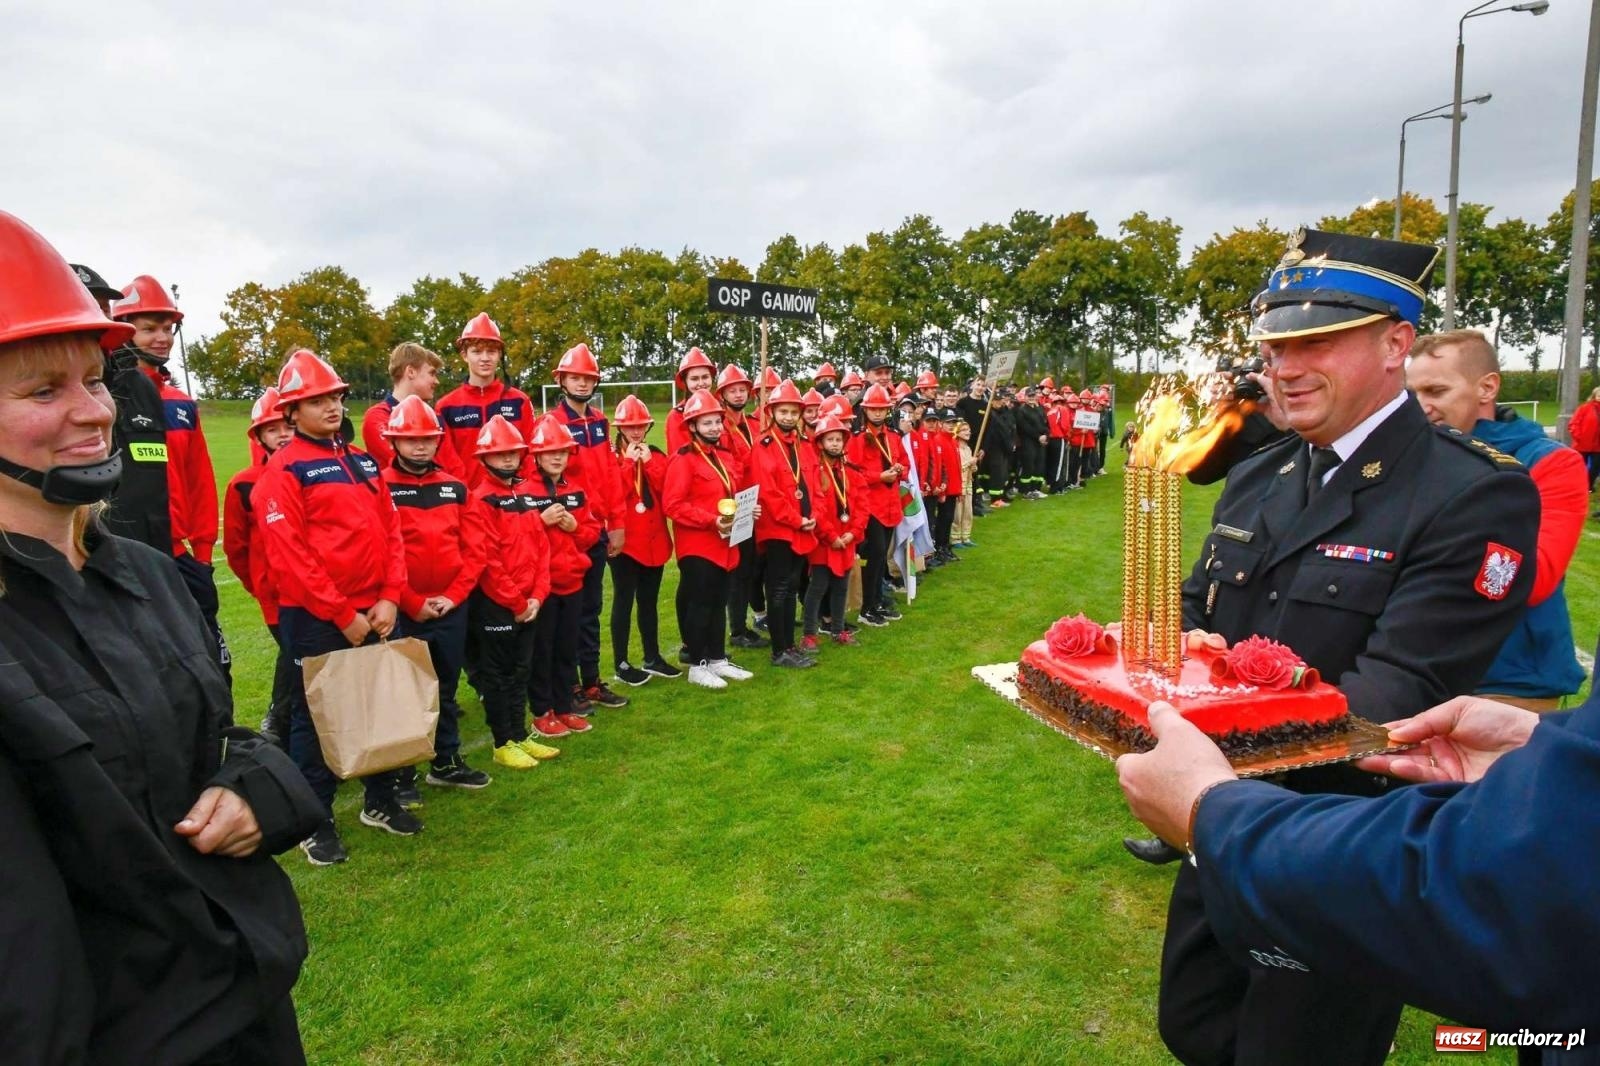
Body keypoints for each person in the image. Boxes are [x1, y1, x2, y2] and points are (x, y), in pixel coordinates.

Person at [1141, 228, 1540, 1066]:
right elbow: (1194, 610)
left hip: (1346, 848)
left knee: (1300, 1050)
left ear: (1398, 344)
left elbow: (1396, 699)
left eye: (1315, 341)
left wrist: (1204, 747)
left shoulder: (1474, 495)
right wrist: (1156, 655)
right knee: (1197, 1026)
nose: (1283, 366)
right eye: (1275, 344)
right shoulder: (1261, 472)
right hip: (1220, 820)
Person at [0, 212, 323, 1063]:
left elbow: (213, 739)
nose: (92, 411)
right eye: (42, 391)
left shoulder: (143, 573)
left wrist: (260, 792)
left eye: (94, 380)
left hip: (246, 1001)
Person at [1117, 662, 1600, 1046]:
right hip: (1295, 826)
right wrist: (1539, 758)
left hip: (1334, 838)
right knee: (1197, 1025)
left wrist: (1215, 815)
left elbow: (1504, 885)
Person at [256, 348, 417, 863]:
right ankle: (316, 820)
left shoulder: (361, 460)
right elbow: (291, 558)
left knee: (379, 706)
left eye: (335, 397)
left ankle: (381, 799)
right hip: (319, 618)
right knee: (315, 718)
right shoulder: (283, 471)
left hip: (377, 609)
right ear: (291, 412)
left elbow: (391, 531)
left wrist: (391, 595)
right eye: (316, 400)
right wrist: (340, 613)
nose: (331, 407)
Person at [1408, 330, 1587, 711]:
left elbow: (1533, 579)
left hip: (1510, 681)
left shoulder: (1551, 462)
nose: (1420, 406)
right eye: (1413, 394)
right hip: (1415, 669)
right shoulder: (1410, 457)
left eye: (1436, 391)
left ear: (1487, 388)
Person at [111, 274, 228, 680]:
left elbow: (200, 484)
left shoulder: (180, 405)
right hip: (132, 554)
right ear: (124, 332)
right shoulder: (106, 399)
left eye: (167, 329)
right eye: (149, 329)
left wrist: (201, 555)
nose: (162, 338)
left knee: (211, 670)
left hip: (183, 558)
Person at [379, 395, 492, 793]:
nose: (420, 446)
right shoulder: (380, 486)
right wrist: (410, 601)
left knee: (444, 685)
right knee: (405, 690)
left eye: (427, 438)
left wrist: (454, 596)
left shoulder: (455, 488)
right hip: (404, 608)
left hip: (450, 606)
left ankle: (445, 760)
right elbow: (381, 552)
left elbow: (475, 548)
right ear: (393, 442)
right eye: (411, 440)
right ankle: (404, 772)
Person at [466, 415, 561, 761]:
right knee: (497, 674)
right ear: (485, 457)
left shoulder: (522, 495)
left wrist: (537, 594)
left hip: (528, 601)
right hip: (498, 605)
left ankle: (520, 734)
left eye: (513, 453)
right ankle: (502, 742)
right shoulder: (480, 499)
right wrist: (517, 601)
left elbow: (540, 548)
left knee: (521, 670)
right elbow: (487, 561)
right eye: (500, 453)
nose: (507, 459)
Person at [548, 343, 629, 711]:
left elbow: (611, 476)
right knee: (567, 613)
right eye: (575, 377)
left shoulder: (599, 421)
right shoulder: (551, 425)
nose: (582, 383)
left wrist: (618, 523)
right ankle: (567, 687)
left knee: (591, 609)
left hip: (596, 531)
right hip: (567, 531)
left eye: (588, 378)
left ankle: (592, 681)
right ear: (562, 380)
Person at [664, 389, 754, 689]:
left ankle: (717, 659)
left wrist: (747, 510)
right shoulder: (683, 459)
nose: (714, 427)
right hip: (699, 545)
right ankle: (697, 664)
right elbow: (673, 505)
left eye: (717, 421)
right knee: (701, 605)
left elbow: (732, 492)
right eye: (706, 423)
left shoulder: (723, 455)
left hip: (726, 543)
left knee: (718, 602)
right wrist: (710, 521)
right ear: (692, 426)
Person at [224, 388, 295, 747]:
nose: (282, 434)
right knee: (298, 657)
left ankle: (286, 726)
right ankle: (279, 724)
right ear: (260, 436)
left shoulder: (313, 473)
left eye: (286, 425)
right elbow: (236, 548)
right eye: (272, 429)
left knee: (308, 662)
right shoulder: (243, 483)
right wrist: (261, 586)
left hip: (324, 591)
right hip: (277, 596)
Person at [523, 415, 603, 735]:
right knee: (542, 650)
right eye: (550, 451)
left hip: (572, 582)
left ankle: (565, 707)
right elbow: (516, 539)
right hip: (543, 586)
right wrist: (538, 521)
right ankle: (542, 711)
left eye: (562, 451)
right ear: (537, 455)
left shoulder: (577, 490)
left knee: (566, 649)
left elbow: (592, 534)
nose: (557, 457)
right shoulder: (524, 492)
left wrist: (576, 527)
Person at [608, 394, 678, 686]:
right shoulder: (611, 459)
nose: (635, 432)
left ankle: (652, 657)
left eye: (640, 426)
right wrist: (627, 465)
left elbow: (668, 492)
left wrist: (649, 464)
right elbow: (613, 495)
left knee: (648, 602)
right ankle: (621, 662)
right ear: (620, 428)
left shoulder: (657, 455)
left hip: (654, 540)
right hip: (625, 543)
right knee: (623, 601)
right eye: (629, 426)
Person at [752, 380, 820, 668]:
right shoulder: (763, 447)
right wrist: (796, 520)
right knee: (778, 589)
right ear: (772, 412)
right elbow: (768, 494)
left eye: (794, 412)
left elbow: (814, 484)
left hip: (803, 526)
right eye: (784, 412)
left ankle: (790, 646)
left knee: (792, 586)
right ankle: (780, 650)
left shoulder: (805, 445)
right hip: (779, 529)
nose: (789, 417)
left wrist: (813, 514)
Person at [435, 312, 535, 481]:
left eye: (491, 351)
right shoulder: (446, 406)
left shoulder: (519, 401)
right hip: (468, 500)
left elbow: (530, 452)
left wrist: (520, 489)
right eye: (477, 351)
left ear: (499, 355)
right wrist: (465, 494)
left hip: (513, 499)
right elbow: (446, 459)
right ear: (464, 355)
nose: (485, 358)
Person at [801, 414, 865, 650]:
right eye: (830, 440)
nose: (835, 444)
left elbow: (862, 507)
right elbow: (816, 509)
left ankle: (838, 630)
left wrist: (853, 534)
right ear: (820, 443)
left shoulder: (851, 472)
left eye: (839, 439)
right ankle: (809, 634)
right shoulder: (815, 473)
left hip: (847, 540)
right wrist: (830, 536)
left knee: (841, 587)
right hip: (823, 542)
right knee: (817, 588)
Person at [846, 383, 908, 627]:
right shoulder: (859, 439)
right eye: (874, 409)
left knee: (881, 556)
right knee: (874, 556)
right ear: (865, 410)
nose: (878, 413)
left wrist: (900, 470)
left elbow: (904, 463)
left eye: (882, 409)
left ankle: (876, 601)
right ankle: (866, 608)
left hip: (891, 505)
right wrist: (879, 477)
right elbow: (854, 472)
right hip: (871, 507)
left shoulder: (893, 437)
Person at [717, 364, 765, 651]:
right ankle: (736, 629)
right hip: (736, 502)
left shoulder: (753, 423)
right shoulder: (720, 425)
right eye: (732, 390)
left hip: (756, 500)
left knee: (749, 565)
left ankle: (743, 624)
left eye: (742, 390)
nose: (738, 395)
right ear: (722, 394)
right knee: (737, 567)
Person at [362, 341, 463, 475]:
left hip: (442, 493)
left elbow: (455, 467)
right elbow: (408, 463)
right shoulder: (377, 416)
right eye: (432, 373)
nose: (436, 381)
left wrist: (458, 492)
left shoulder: (434, 417)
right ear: (411, 372)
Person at [664, 346, 718, 453]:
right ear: (685, 382)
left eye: (705, 377)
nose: (701, 383)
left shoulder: (720, 409)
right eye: (694, 379)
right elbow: (680, 458)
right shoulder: (676, 416)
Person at [1570, 385, 1600, 500]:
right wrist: (1579, 437)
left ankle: (1589, 486)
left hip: (1598, 446)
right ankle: (1578, 487)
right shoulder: (1584, 408)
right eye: (1599, 395)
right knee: (1580, 467)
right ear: (1594, 396)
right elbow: (1574, 423)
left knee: (1595, 468)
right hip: (1582, 444)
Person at [952, 418, 977, 547]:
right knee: (958, 512)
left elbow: (971, 469)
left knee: (968, 511)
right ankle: (955, 538)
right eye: (964, 430)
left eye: (969, 430)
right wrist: (969, 463)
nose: (968, 432)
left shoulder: (967, 449)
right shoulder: (955, 448)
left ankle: (966, 536)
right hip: (959, 483)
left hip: (968, 483)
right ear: (957, 432)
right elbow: (957, 466)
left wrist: (974, 466)